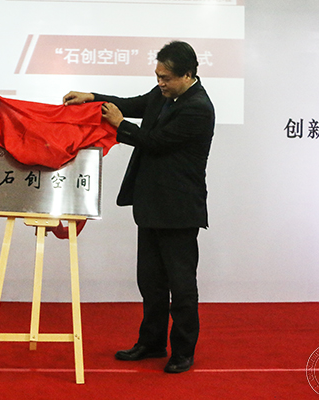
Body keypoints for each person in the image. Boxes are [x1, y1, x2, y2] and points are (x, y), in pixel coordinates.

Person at [63, 41, 214, 373]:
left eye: (166, 78)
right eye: (157, 76)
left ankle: (183, 350)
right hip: (151, 205)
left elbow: (155, 143)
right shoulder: (164, 95)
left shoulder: (198, 108)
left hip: (179, 210)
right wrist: (92, 98)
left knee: (181, 286)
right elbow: (132, 103)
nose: (160, 83)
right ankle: (152, 342)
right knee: (151, 282)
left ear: (188, 75)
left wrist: (119, 125)